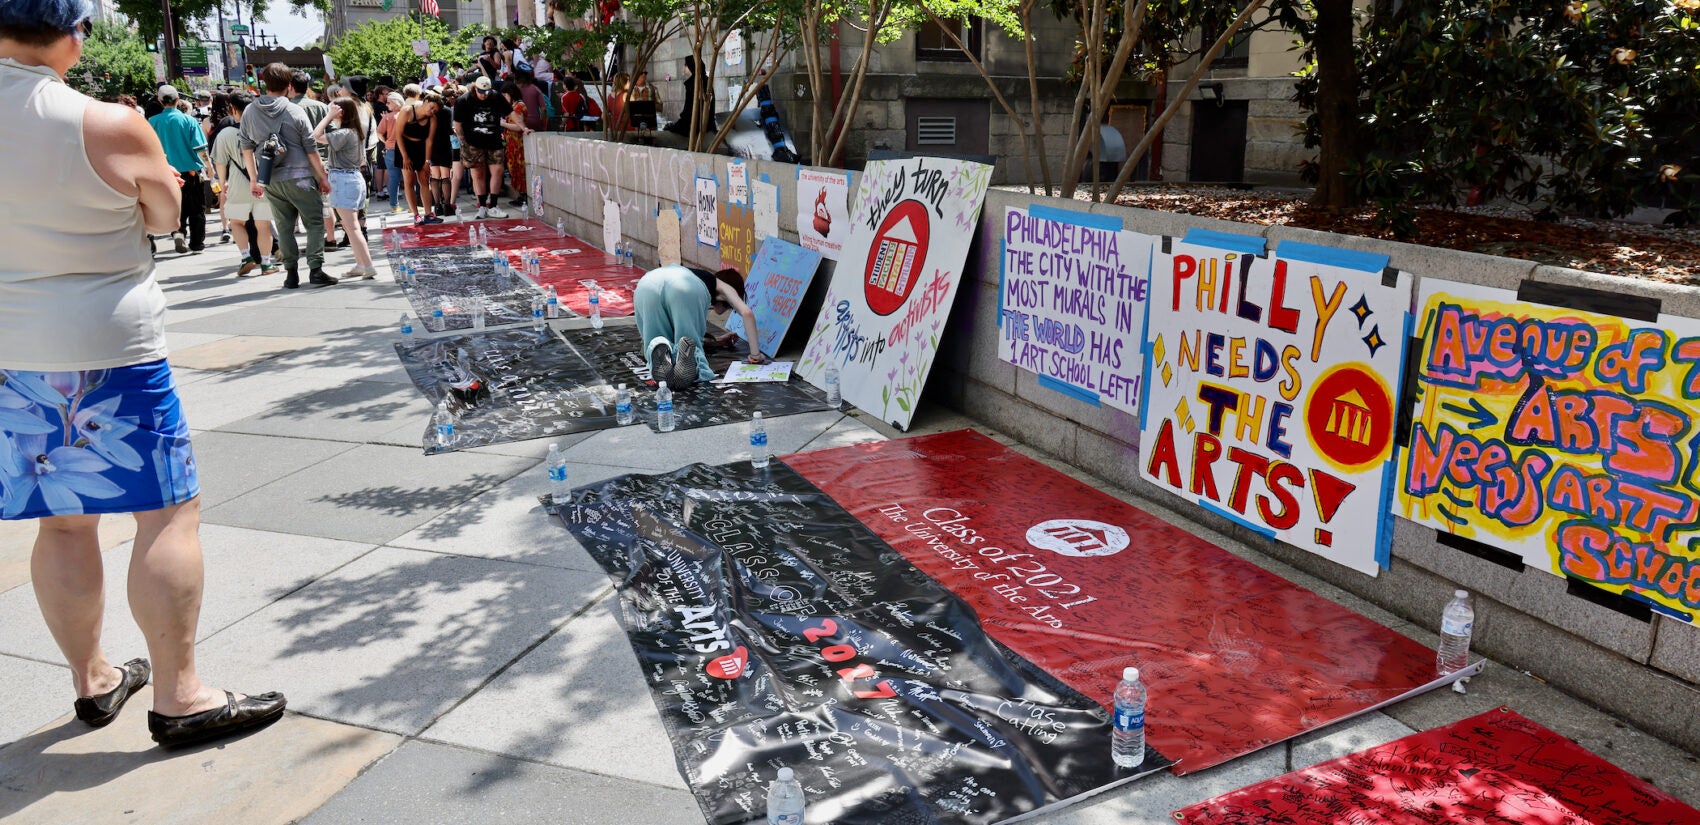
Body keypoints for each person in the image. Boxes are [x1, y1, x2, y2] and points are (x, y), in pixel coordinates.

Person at [0, 0, 287, 749]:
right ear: (70, 34)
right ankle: (180, 693)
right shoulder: (103, 122)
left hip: (15, 346)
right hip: (110, 342)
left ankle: (92, 679)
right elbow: (164, 214)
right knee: (165, 512)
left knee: (62, 521)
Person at [239, 62, 335, 288]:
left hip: (271, 177)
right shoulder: (294, 110)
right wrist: (322, 176)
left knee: (283, 227)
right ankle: (316, 269)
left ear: (265, 83)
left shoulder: (250, 111)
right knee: (313, 222)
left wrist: (254, 178)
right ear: (289, 85)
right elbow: (310, 147)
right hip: (300, 176)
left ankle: (291, 273)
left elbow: (246, 147)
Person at [633, 266, 765, 388]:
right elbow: (747, 313)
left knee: (657, 339)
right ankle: (688, 370)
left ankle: (657, 348)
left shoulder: (696, 275)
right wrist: (755, 355)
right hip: (683, 286)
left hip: (646, 284)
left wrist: (715, 342)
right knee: (689, 346)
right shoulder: (721, 286)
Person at [209, 91, 278, 277]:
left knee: (237, 222)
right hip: (262, 182)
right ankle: (266, 263)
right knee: (263, 225)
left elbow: (220, 162)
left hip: (237, 182)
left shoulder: (225, 134)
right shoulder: (263, 129)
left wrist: (222, 183)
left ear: (233, 109)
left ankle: (246, 257)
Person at [313, 99, 377, 280]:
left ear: (341, 113)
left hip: (344, 180)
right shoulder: (353, 132)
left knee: (353, 227)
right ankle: (361, 264)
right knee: (351, 227)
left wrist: (328, 116)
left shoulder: (345, 132)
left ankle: (368, 265)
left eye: (334, 110)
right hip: (351, 178)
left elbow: (316, 135)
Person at [147, 83, 207, 253]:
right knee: (196, 209)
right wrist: (209, 167)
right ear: (177, 100)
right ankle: (197, 244)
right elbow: (200, 147)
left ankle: (178, 231)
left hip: (166, 173)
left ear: (160, 101)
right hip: (191, 171)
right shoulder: (188, 120)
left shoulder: (152, 122)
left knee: (175, 205)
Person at [454, 75, 510, 219]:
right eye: (481, 92)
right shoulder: (464, 100)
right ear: (475, 88)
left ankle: (494, 205)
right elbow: (458, 124)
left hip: (494, 140)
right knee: (478, 174)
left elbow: (511, 112)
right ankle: (482, 205)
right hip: (473, 142)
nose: (484, 95)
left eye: (486, 92)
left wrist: (523, 126)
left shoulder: (495, 97)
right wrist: (463, 142)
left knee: (497, 171)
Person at [394, 84, 438, 223]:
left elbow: (430, 141)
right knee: (408, 180)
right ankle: (415, 214)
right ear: (425, 101)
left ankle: (428, 213)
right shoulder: (407, 110)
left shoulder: (432, 118)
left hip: (421, 147)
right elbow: (398, 135)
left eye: (435, 110)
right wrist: (405, 156)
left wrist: (427, 162)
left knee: (425, 179)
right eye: (431, 107)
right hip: (404, 146)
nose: (432, 111)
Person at [500, 82, 530, 208]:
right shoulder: (514, 106)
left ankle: (523, 195)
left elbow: (519, 127)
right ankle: (521, 195)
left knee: (520, 169)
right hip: (512, 143)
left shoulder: (518, 107)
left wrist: (503, 124)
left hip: (518, 143)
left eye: (505, 95)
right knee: (515, 169)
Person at [426, 89, 455, 216]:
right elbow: (449, 130)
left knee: (435, 177)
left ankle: (437, 206)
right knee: (445, 177)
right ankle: (447, 206)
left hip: (431, 146)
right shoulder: (447, 111)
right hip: (444, 145)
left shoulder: (427, 113)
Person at [380, 90, 404, 210]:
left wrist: (385, 141)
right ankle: (414, 205)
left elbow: (379, 132)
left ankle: (394, 205)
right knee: (409, 178)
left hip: (390, 149)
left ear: (395, 102)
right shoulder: (406, 114)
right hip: (404, 149)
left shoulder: (388, 117)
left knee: (394, 178)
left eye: (389, 102)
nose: (387, 105)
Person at [664, 55, 698, 138]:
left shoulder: (692, 84)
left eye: (686, 65)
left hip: (694, 124)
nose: (684, 67)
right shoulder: (698, 81)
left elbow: (689, 109)